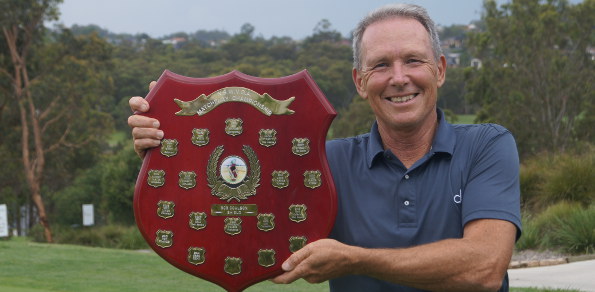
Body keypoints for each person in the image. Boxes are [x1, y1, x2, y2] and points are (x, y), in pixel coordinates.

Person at [128, 4, 521, 292]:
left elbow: (484, 268)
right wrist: (169, 140)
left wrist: (355, 260)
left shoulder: (487, 145)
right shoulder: (324, 162)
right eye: (380, 65)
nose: (399, 78)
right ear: (359, 81)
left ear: (440, 69)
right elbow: (229, 205)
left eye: (413, 60)